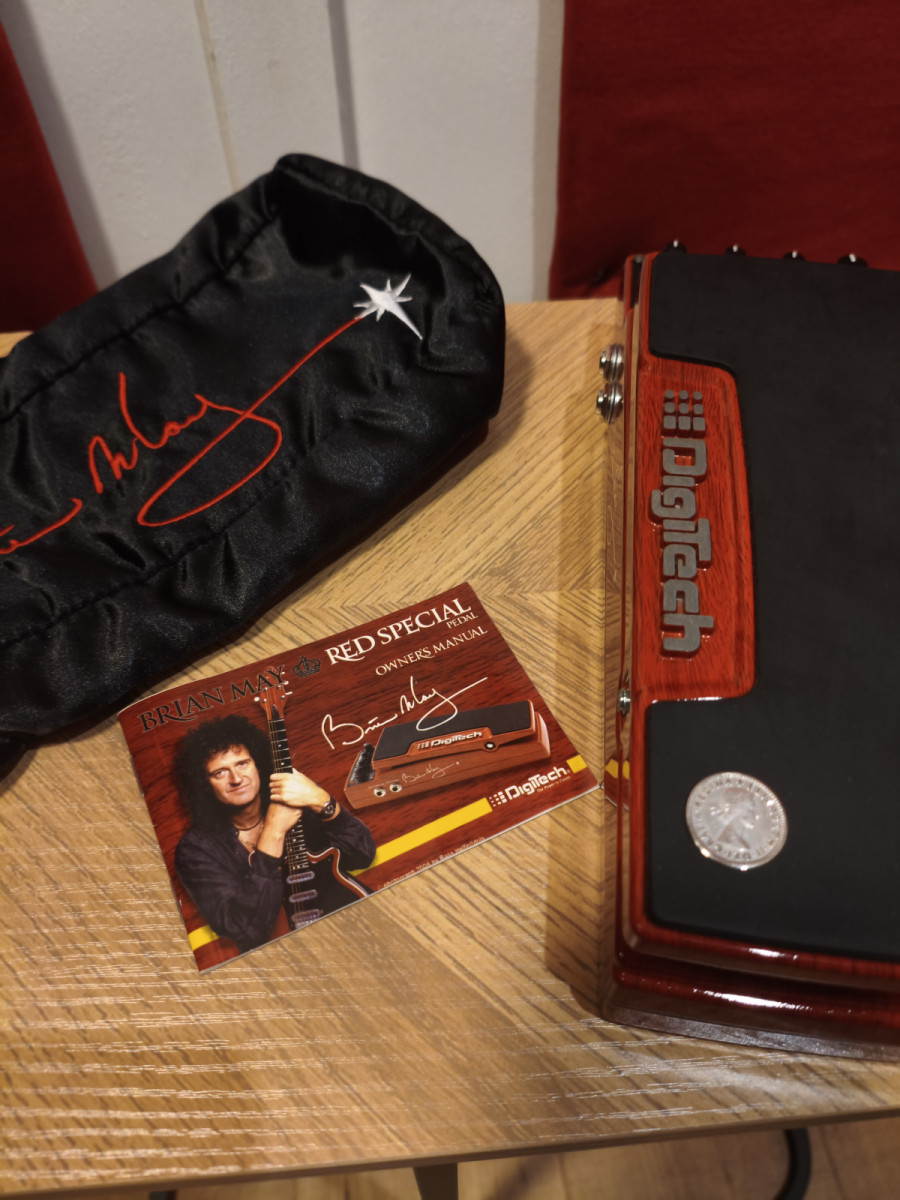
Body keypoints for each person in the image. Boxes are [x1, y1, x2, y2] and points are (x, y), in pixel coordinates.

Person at [173, 713, 375, 952]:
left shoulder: (294, 802)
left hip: (355, 927)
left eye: (242, 764)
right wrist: (273, 832)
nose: (236, 779)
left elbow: (363, 855)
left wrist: (322, 800)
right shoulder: (195, 849)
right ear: (204, 785)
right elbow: (246, 927)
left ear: (257, 765)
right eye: (220, 773)